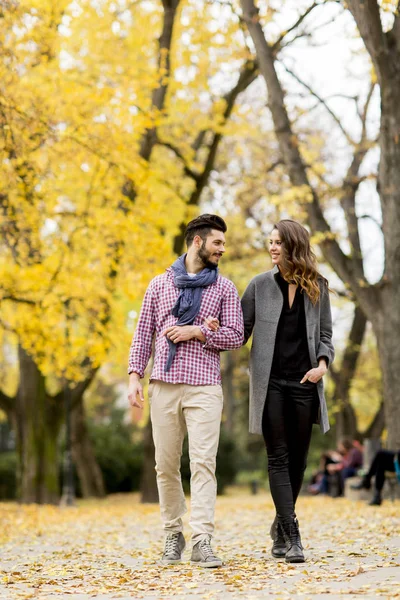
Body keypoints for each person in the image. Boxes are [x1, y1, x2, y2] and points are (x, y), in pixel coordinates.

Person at [127, 214, 244, 567]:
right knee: (165, 465)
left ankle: (203, 539)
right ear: (197, 241)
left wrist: (200, 332)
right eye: (217, 243)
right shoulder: (159, 285)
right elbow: (143, 333)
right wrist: (134, 376)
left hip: (205, 387)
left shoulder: (225, 288)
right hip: (163, 384)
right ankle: (172, 534)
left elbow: (237, 336)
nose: (222, 249)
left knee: (204, 463)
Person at [241, 220, 334, 563]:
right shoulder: (259, 286)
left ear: (293, 244)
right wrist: (215, 327)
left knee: (298, 461)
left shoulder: (318, 287)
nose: (272, 248)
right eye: (270, 242)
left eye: (278, 242)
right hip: (271, 386)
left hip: (305, 383)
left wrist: (322, 366)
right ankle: (292, 533)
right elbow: (241, 331)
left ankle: (279, 525)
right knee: (277, 457)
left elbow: (326, 335)